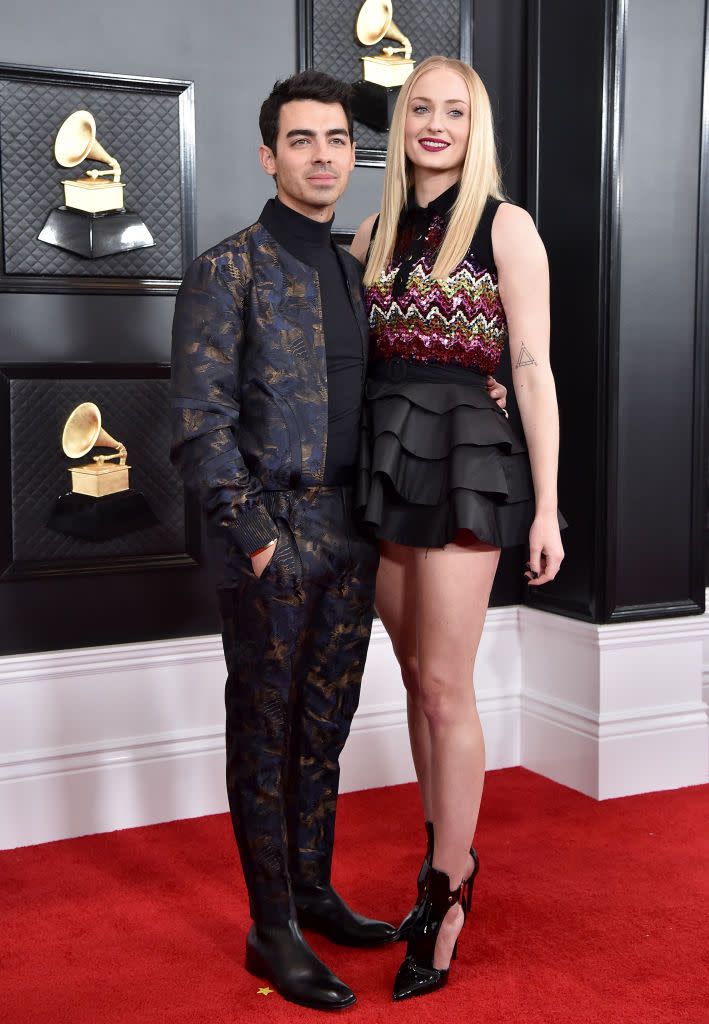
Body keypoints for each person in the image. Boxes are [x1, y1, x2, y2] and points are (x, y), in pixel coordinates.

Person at [170, 70, 399, 1012]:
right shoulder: (227, 269)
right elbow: (198, 421)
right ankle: (272, 929)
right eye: (301, 140)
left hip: (355, 530)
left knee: (324, 732)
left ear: (353, 152)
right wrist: (255, 536)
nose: (322, 155)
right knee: (266, 735)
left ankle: (312, 892)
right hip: (275, 533)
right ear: (269, 155)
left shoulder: (351, 270)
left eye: (337, 139)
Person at [351, 55, 566, 1001]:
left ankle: (448, 888)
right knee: (411, 677)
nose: (435, 124)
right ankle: (436, 859)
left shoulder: (505, 226)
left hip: (466, 461)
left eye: (454, 112)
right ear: (399, 125)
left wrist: (548, 507)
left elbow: (531, 372)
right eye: (421, 110)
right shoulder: (371, 228)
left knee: (445, 685)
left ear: (475, 129)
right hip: (383, 455)